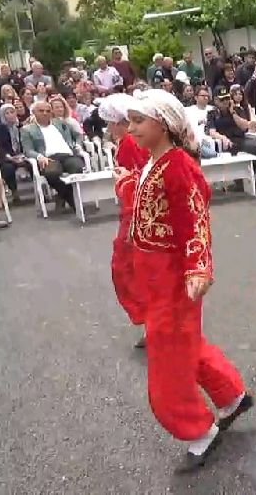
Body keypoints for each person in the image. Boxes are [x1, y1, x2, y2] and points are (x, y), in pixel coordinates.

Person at [115, 89, 253, 470]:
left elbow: (195, 219)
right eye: (130, 121)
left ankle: (198, 429)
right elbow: (149, 206)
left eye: (138, 121)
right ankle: (232, 396)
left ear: (163, 124)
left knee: (168, 359)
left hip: (174, 278)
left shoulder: (177, 165)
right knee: (185, 342)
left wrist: (197, 267)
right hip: (155, 276)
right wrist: (126, 184)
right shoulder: (155, 161)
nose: (131, 129)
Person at [99, 94, 149, 347]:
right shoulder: (132, 140)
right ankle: (152, 323)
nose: (108, 128)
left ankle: (153, 323)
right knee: (136, 269)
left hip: (135, 212)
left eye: (110, 122)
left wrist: (124, 180)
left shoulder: (130, 142)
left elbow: (140, 177)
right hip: (135, 210)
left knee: (129, 268)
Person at [21, 100, 85, 211]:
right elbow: (28, 150)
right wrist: (39, 156)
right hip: (48, 157)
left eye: (48, 111)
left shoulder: (60, 123)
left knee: (77, 168)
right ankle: (74, 203)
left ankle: (62, 196)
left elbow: (78, 135)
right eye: (41, 111)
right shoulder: (28, 130)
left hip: (67, 155)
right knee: (52, 173)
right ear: (34, 112)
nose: (45, 113)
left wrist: (78, 145)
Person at [0, 103, 25, 202]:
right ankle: (14, 191)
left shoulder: (20, 126)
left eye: (12, 112)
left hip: (22, 154)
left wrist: (23, 155)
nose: (11, 115)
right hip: (7, 156)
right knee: (8, 168)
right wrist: (10, 157)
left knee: (34, 164)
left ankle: (42, 190)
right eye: (7, 113)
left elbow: (25, 142)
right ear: (3, 115)